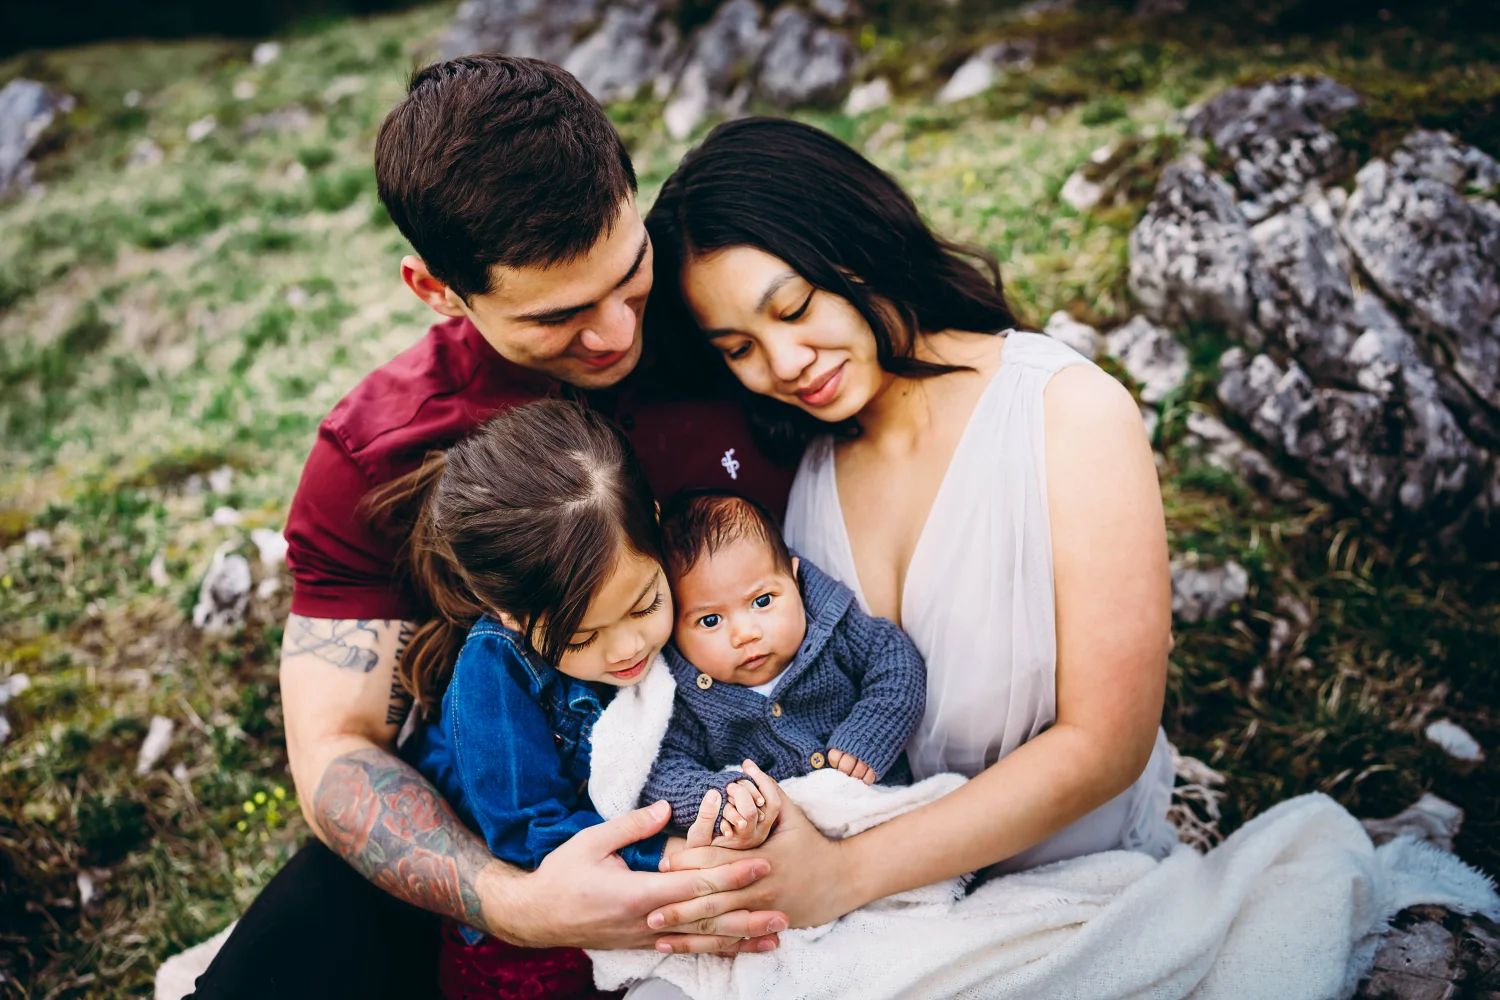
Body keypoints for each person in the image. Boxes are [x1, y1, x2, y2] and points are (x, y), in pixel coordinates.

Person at [189, 59, 794, 1000]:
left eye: (626, 276)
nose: (613, 335)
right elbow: (338, 752)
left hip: (762, 756)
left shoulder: (737, 301)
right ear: (435, 290)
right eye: (557, 317)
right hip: (502, 823)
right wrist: (513, 900)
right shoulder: (375, 452)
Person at [625, 116, 1177, 995]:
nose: (784, 363)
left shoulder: (1067, 413)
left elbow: (1107, 743)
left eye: (794, 308)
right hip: (882, 928)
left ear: (859, 245)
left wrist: (844, 877)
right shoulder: (800, 479)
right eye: (738, 349)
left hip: (1072, 887)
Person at [642, 490, 926, 842]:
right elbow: (662, 770)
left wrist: (871, 732)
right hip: (784, 848)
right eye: (711, 620)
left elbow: (896, 661)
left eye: (762, 601)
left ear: (795, 579)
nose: (745, 634)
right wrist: (719, 796)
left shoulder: (833, 629)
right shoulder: (687, 699)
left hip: (880, 813)